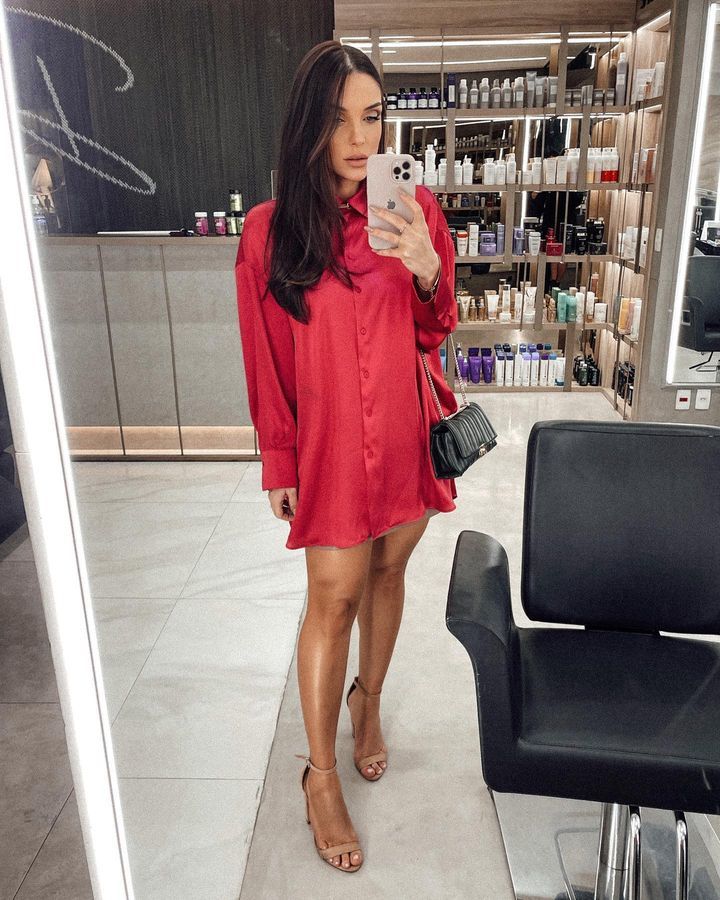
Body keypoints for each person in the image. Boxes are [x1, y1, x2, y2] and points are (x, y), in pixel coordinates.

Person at [234, 40, 458, 873]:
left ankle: (371, 700)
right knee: (332, 599)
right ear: (309, 128)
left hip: (402, 435)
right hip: (328, 446)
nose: (361, 139)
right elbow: (265, 358)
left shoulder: (414, 208)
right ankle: (320, 776)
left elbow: (436, 330)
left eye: (373, 117)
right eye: (339, 121)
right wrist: (279, 460)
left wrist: (428, 268)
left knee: (389, 573)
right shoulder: (269, 232)